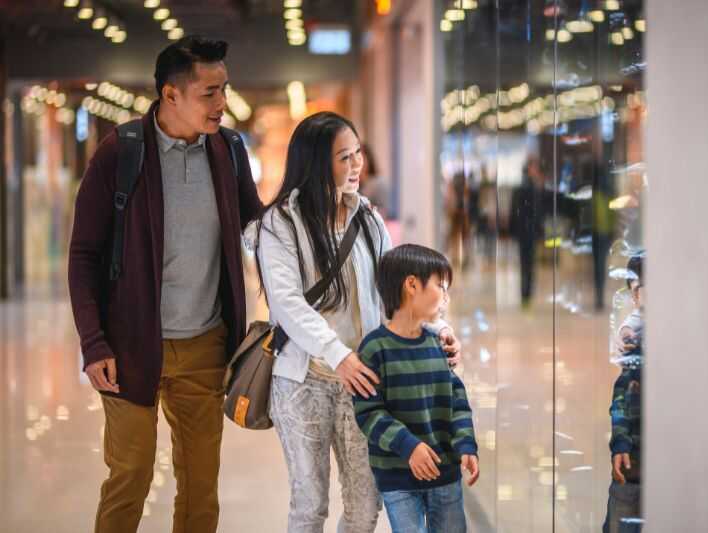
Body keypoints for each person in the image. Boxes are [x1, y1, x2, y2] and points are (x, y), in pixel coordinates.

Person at [68, 36, 263, 533]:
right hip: (130, 346)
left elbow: (259, 231)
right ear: (170, 95)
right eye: (210, 93)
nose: (222, 104)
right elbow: (84, 254)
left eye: (225, 90)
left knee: (201, 489)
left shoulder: (229, 152)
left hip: (205, 345)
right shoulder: (121, 152)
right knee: (129, 477)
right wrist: (93, 344)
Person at [256, 112, 462, 533]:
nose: (356, 166)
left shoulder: (367, 218)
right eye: (343, 157)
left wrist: (437, 329)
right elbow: (288, 304)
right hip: (302, 382)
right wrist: (338, 355)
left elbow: (395, 293)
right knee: (309, 503)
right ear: (315, 163)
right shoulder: (279, 223)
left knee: (366, 506)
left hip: (364, 381)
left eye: (358, 154)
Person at [354, 244, 479, 533]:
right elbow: (369, 414)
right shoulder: (374, 349)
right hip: (398, 478)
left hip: (445, 474)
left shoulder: (439, 343)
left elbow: (457, 400)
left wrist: (466, 444)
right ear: (412, 284)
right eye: (441, 286)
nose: (446, 296)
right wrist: (409, 448)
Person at [603, 255, 644, 533]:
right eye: (633, 289)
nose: (636, 296)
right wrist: (620, 445)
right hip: (633, 463)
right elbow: (620, 403)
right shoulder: (634, 346)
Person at [510, 156, 547, 306]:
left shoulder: (524, 188)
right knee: (528, 265)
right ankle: (526, 295)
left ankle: (526, 295)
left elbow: (515, 212)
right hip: (528, 232)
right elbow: (535, 213)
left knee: (526, 264)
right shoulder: (530, 188)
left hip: (524, 232)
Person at [359, 143, 391, 219]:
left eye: (360, 157)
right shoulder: (353, 185)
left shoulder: (378, 183)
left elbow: (382, 213)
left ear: (368, 158)